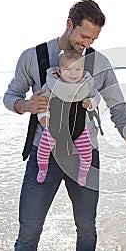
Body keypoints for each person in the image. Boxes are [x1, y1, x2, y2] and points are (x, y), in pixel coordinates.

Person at [3, 0, 126, 251]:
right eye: (83, 37)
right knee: (28, 231)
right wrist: (27, 106)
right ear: (69, 24)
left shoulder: (99, 63)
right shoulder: (32, 57)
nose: (87, 45)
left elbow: (119, 109)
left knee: (87, 229)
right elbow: (10, 97)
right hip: (43, 155)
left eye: (93, 40)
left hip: (85, 156)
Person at [37, 49, 100, 186]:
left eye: (78, 69)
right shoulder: (51, 84)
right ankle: (42, 169)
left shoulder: (85, 84)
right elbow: (42, 100)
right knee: (43, 150)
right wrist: (43, 116)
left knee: (87, 154)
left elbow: (96, 96)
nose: (73, 73)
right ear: (59, 71)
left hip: (78, 128)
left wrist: (91, 103)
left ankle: (82, 174)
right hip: (54, 126)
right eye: (68, 69)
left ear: (83, 70)